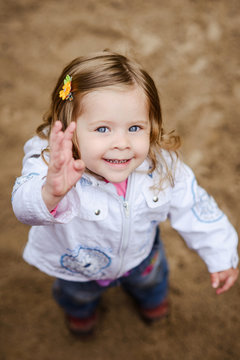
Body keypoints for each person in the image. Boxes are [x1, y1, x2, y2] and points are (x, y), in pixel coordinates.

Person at [12, 51, 239, 335]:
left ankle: (152, 303)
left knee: (153, 283)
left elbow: (195, 205)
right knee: (76, 297)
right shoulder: (51, 161)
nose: (122, 143)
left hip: (141, 256)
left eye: (135, 127)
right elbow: (23, 207)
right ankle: (81, 314)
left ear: (151, 124)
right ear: (70, 127)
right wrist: (50, 192)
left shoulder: (161, 164)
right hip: (76, 266)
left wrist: (221, 253)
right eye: (103, 128)